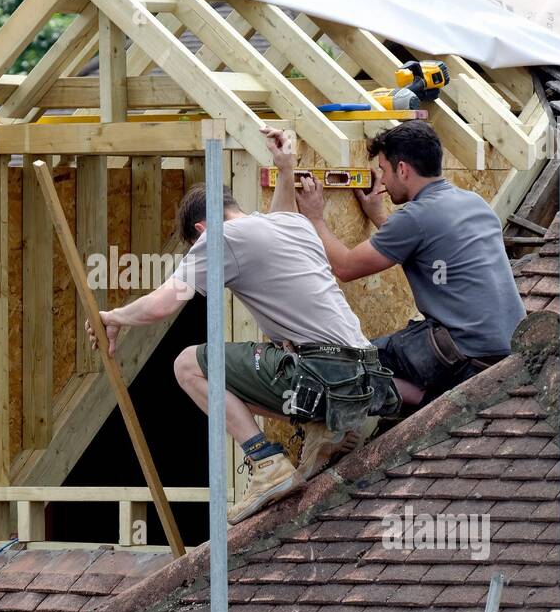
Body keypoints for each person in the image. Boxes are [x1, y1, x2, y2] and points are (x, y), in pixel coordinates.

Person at [91, 129, 398, 521]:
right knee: (267, 359)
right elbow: (281, 210)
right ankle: (329, 425)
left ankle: (265, 463)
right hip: (364, 377)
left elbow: (162, 305)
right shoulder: (294, 225)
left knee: (188, 365)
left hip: (324, 375)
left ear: (201, 231)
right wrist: (285, 168)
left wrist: (112, 317)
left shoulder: (220, 237)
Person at [296, 119, 524, 408]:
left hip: (463, 356)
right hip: (506, 352)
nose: (383, 178)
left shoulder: (415, 217)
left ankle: (422, 397)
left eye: (384, 169)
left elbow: (345, 267)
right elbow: (421, 241)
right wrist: (378, 214)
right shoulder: (473, 202)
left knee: (344, 361)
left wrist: (315, 217)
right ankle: (424, 396)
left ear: (402, 169)